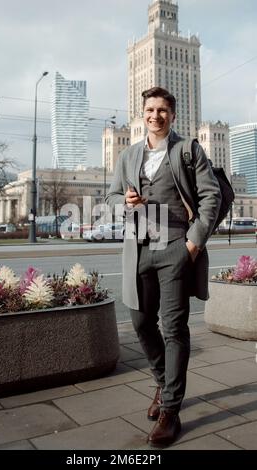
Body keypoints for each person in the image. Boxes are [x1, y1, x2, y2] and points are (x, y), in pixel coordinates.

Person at [106, 87, 221, 447]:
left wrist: (192, 243)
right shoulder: (128, 156)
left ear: (172, 115)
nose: (155, 115)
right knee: (140, 320)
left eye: (162, 110)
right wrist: (124, 202)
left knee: (173, 327)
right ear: (143, 114)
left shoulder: (188, 150)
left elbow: (211, 195)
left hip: (174, 245)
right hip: (139, 247)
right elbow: (110, 198)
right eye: (150, 110)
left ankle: (171, 409)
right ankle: (162, 381)